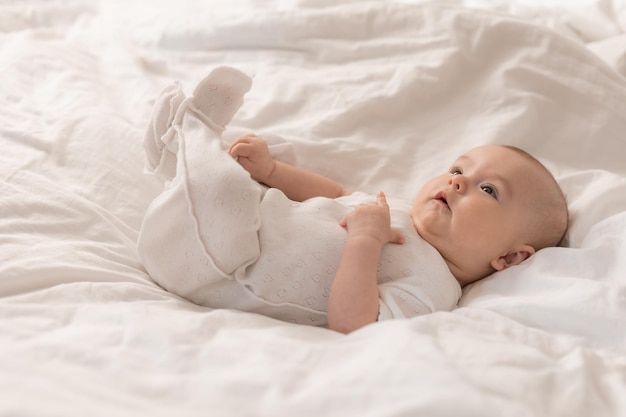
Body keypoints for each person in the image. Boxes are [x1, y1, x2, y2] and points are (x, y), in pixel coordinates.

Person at [138, 67, 568, 334]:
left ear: (509, 258)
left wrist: (366, 242)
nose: (458, 183)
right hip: (234, 227)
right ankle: (178, 157)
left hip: (227, 270)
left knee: (224, 194)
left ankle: (188, 135)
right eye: (459, 170)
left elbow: (356, 323)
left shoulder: (433, 287)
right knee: (235, 190)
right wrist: (271, 173)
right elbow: (339, 195)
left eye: (488, 190)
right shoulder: (398, 210)